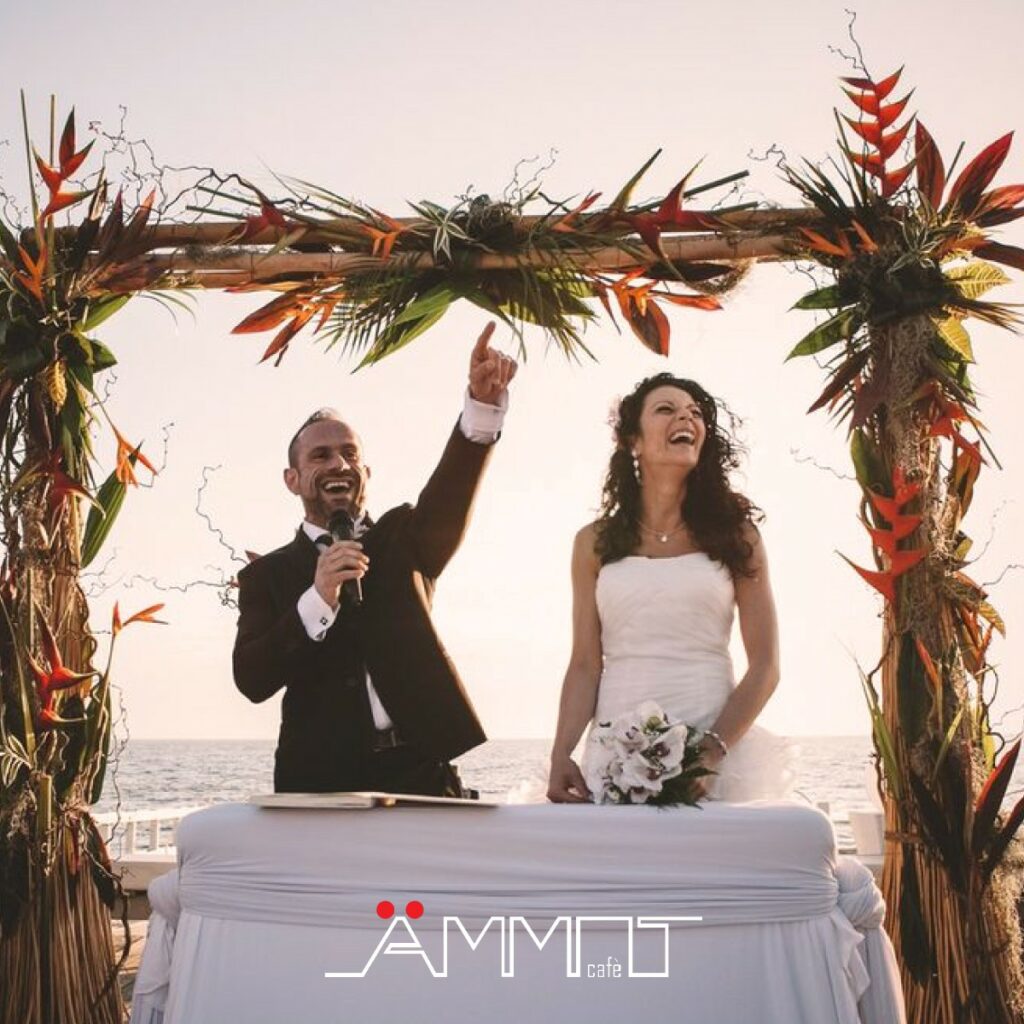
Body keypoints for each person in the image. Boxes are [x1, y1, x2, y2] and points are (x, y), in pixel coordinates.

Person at [234, 322, 517, 796]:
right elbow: (252, 679)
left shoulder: (406, 538)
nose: (338, 464)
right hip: (319, 784)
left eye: (349, 454)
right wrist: (318, 599)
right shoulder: (267, 575)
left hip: (420, 773)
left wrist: (482, 405)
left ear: (366, 472)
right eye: (321, 456)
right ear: (292, 478)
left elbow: (452, 490)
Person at [547, 372, 794, 804]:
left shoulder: (738, 537)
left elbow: (765, 666)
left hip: (714, 750)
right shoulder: (592, 543)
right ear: (632, 441)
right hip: (615, 751)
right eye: (666, 409)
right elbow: (586, 664)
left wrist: (712, 751)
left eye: (695, 413)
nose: (686, 416)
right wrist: (561, 752)